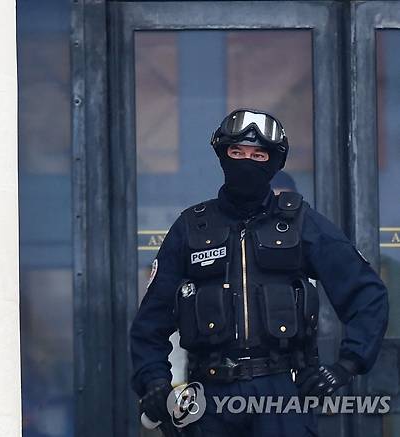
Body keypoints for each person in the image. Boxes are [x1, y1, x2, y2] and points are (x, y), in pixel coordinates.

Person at [130, 108, 389, 437]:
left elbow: (367, 294)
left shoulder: (299, 222)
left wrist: (346, 366)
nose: (246, 162)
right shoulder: (191, 227)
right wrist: (154, 380)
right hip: (209, 397)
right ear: (223, 156)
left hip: (282, 395)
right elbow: (150, 323)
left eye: (258, 154)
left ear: (274, 162)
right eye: (237, 152)